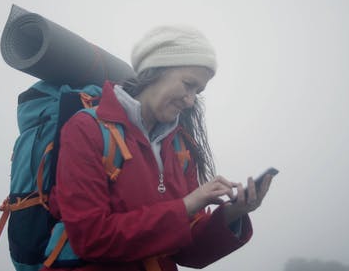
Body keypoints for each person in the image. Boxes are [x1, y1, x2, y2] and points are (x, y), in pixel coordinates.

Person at [43, 25, 273, 271]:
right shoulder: (86, 129)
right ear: (154, 71)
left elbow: (188, 253)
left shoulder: (181, 147)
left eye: (198, 91)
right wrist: (186, 205)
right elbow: (90, 239)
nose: (190, 100)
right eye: (188, 84)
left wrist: (233, 213)